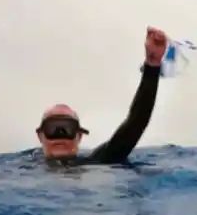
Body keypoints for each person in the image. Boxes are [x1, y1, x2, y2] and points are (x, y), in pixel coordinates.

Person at [34, 26, 168, 166]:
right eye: (53, 127)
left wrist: (152, 65)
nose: (59, 134)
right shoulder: (23, 168)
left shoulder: (97, 161)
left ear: (79, 136)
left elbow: (135, 123)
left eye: (67, 128)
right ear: (40, 135)